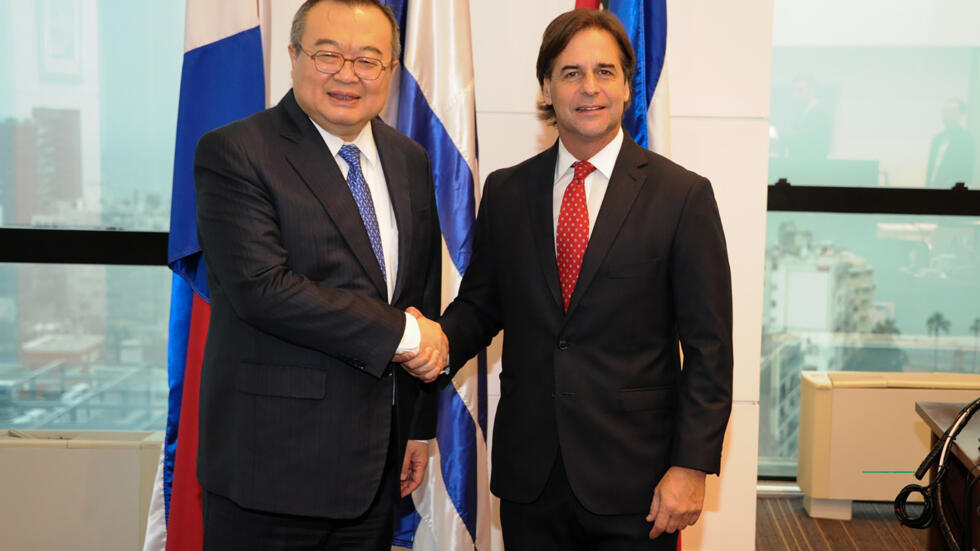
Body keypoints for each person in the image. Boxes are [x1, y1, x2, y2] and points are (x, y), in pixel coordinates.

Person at [405, 9, 733, 549]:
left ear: (628, 86)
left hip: (639, 483)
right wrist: (434, 340)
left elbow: (710, 348)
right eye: (571, 72)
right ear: (547, 87)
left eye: (605, 72)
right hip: (530, 477)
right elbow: (482, 307)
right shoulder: (508, 192)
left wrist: (691, 467)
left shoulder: (682, 197)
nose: (589, 88)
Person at [193, 0, 447, 548]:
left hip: (376, 469)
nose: (348, 75)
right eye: (328, 55)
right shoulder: (236, 151)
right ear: (293, 56)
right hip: (270, 473)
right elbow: (263, 289)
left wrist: (419, 426)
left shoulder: (409, 159)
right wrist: (404, 336)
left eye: (368, 60)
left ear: (391, 70)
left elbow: (420, 294)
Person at [926, 98, 974, 188]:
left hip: (952, 194)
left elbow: (966, 172)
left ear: (960, 115)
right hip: (931, 191)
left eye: (950, 111)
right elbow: (931, 170)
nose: (945, 114)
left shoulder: (967, 140)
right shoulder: (937, 139)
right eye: (944, 111)